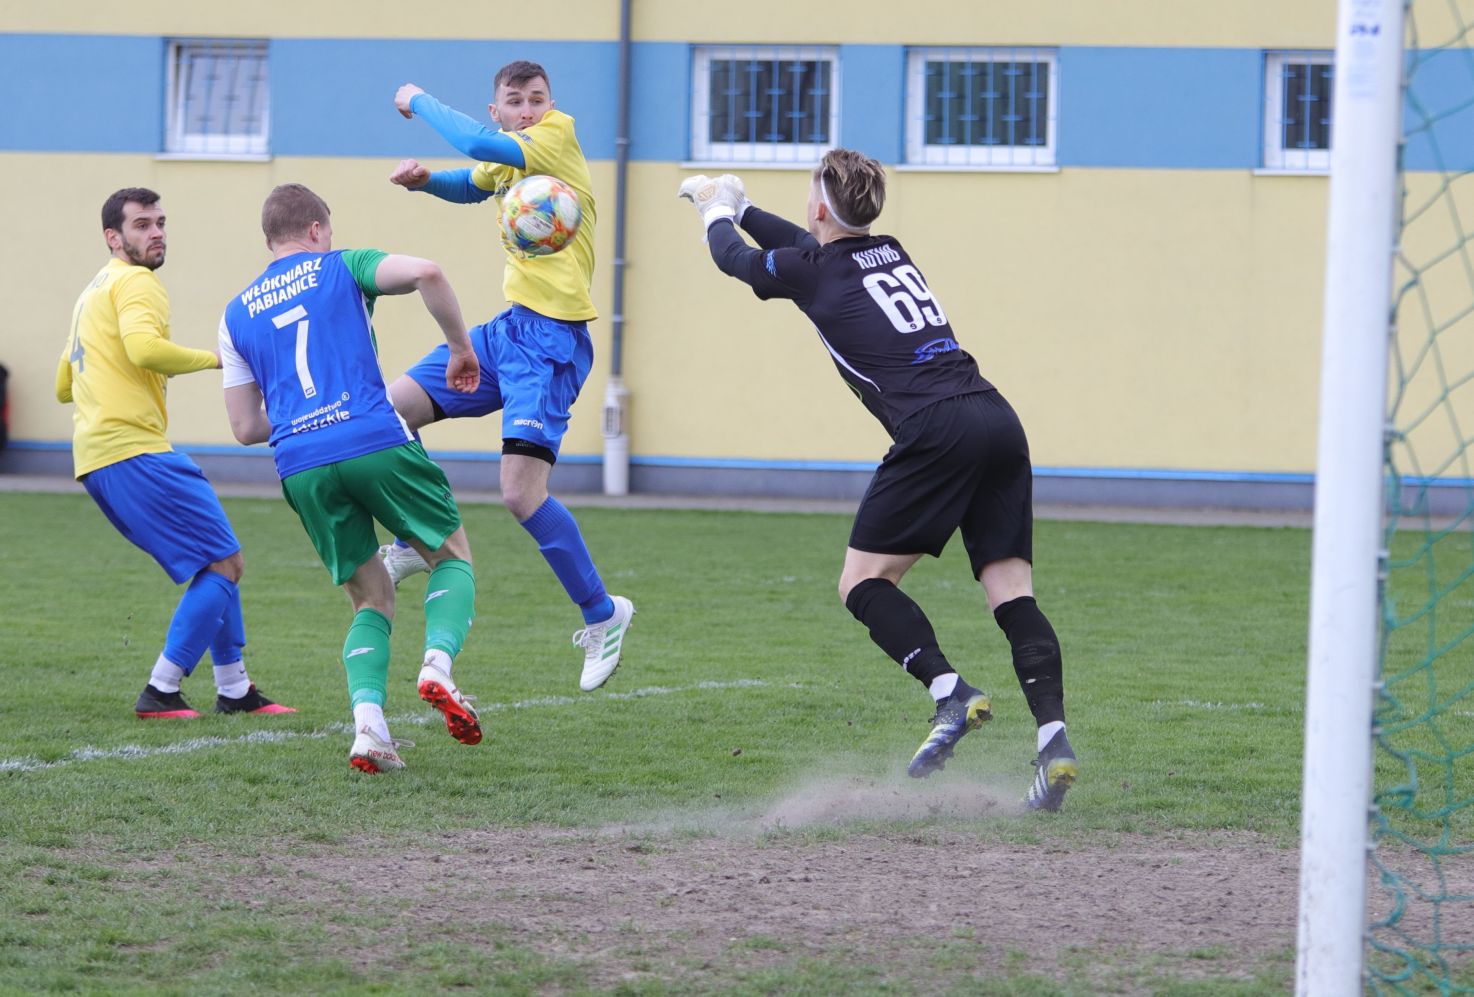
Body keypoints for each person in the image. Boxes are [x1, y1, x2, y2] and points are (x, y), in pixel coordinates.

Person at [677, 153, 1079, 811]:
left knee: (861, 582)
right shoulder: (888, 250)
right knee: (1011, 592)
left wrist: (716, 210)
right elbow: (808, 249)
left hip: (935, 427)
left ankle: (950, 691)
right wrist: (746, 207)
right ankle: (1054, 740)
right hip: (996, 417)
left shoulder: (814, 270)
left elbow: (736, 260)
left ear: (818, 206)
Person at [383, 60, 634, 694]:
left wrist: (418, 97)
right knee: (391, 410)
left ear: (551, 106)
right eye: (515, 103)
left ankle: (604, 615)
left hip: (552, 342)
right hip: (506, 333)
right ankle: (420, 532)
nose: (527, 110)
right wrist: (426, 184)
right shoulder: (514, 160)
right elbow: (475, 178)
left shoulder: (555, 137)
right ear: (499, 110)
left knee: (521, 496)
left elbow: (474, 144)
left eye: (536, 100)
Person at [219, 183, 483, 774]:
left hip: (300, 463)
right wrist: (460, 350)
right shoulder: (345, 266)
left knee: (371, 596)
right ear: (316, 231)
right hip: (372, 438)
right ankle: (437, 665)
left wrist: (299, 416)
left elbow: (243, 427)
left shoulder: (235, 314)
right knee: (451, 556)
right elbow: (428, 272)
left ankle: (369, 730)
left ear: (270, 240)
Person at [56, 188, 295, 720]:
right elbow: (143, 350)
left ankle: (234, 689)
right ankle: (161, 689)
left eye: (161, 222)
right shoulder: (138, 282)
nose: (157, 232)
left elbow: (63, 384)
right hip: (134, 450)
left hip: (98, 456)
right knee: (226, 563)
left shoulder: (93, 290)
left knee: (219, 560)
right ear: (113, 238)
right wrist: (219, 360)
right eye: (142, 225)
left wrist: (108, 386)